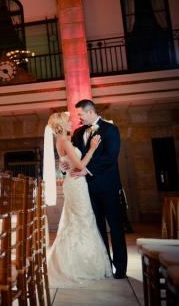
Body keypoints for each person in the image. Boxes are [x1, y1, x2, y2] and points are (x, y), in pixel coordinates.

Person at [44, 111, 112, 287]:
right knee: (82, 220)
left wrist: (64, 164)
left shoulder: (60, 141)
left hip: (72, 181)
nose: (71, 123)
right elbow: (80, 165)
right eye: (67, 121)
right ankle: (79, 265)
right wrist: (92, 148)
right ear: (60, 125)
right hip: (76, 183)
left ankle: (75, 261)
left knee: (75, 221)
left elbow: (66, 163)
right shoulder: (65, 141)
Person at [65, 99, 128, 279]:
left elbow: (110, 157)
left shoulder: (110, 129)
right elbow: (75, 156)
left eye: (80, 114)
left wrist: (88, 169)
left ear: (90, 112)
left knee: (115, 227)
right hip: (86, 189)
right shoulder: (78, 133)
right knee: (97, 228)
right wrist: (67, 164)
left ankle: (120, 268)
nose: (79, 118)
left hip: (108, 187)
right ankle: (104, 265)